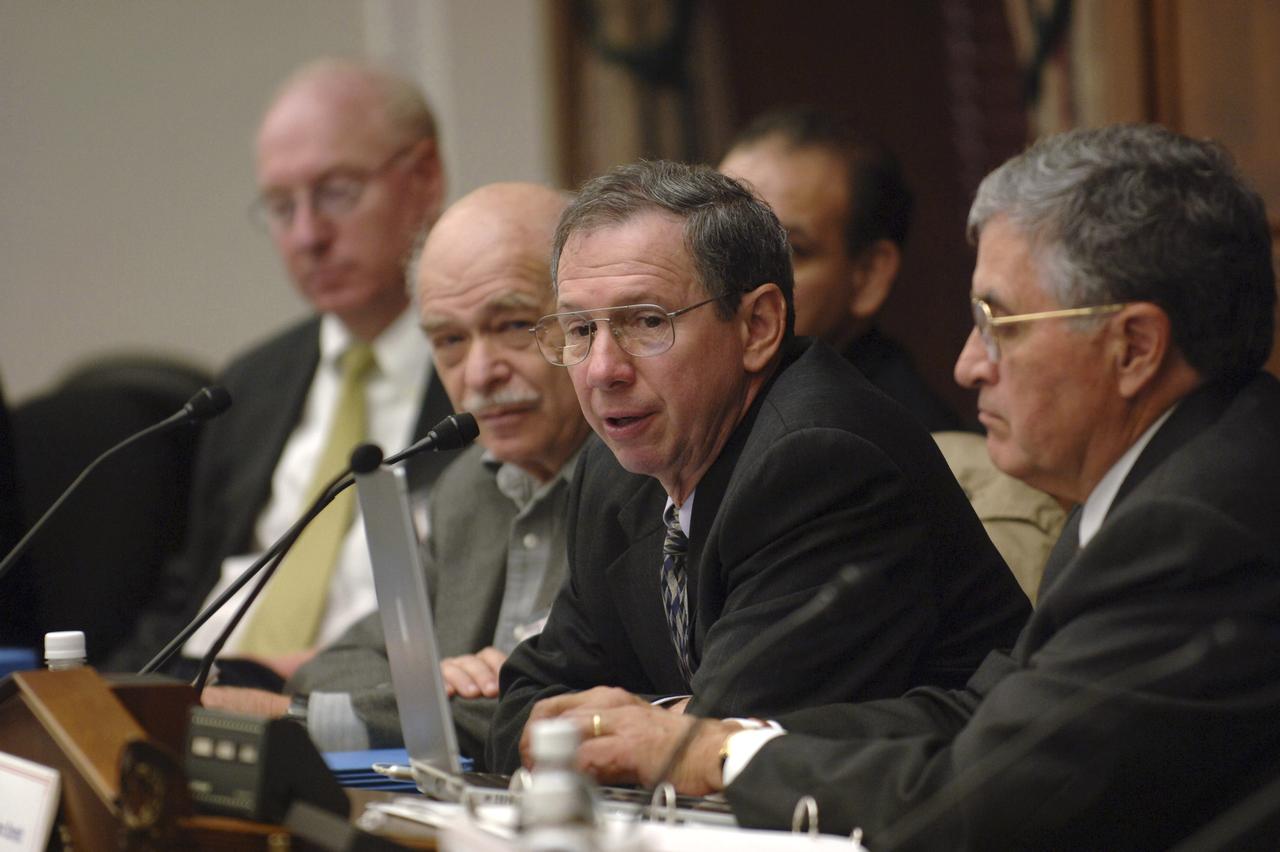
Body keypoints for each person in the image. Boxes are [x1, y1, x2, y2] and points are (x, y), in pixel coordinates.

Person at [562, 125, 1280, 850]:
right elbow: (977, 713)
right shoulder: (1169, 479)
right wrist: (729, 738)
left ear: (1133, 347)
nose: (969, 366)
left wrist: (714, 756)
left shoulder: (1198, 528)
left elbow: (981, 804)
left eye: (999, 324)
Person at [486, 160, 1031, 772]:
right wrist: (634, 722)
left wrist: (631, 726)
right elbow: (521, 707)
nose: (601, 369)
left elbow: (711, 746)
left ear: (758, 326)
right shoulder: (616, 470)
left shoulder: (821, 461)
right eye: (581, 328)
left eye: (646, 322)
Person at [203, 183, 593, 758]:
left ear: (586, 320)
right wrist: (431, 686)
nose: (480, 373)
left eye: (513, 325)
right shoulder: (467, 490)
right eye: (451, 340)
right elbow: (335, 664)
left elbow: (566, 712)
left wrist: (303, 721)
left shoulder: (642, 485)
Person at [106, 59, 457, 677]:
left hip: (366, 711)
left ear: (424, 179)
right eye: (280, 205)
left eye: (337, 193)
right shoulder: (249, 384)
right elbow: (188, 597)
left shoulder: (490, 373)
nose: (307, 235)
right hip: (204, 701)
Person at [719, 107, 963, 432]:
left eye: (784, 251)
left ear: (868, 277)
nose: (730, 274)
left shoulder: (898, 448)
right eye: (718, 239)